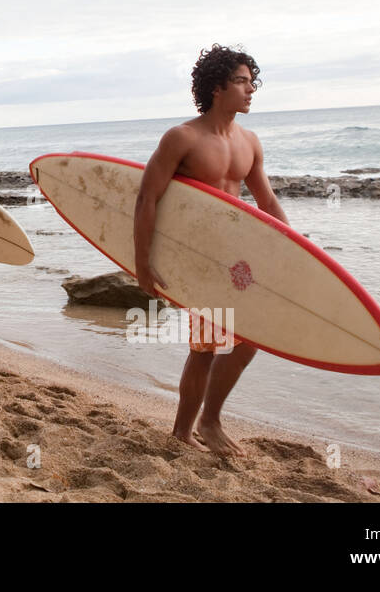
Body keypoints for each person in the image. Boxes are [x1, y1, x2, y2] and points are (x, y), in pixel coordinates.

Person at [132, 44, 288, 457]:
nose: (251, 89)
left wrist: (295, 250)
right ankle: (195, 427)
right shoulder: (183, 137)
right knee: (208, 348)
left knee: (246, 339)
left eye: (252, 81)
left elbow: (267, 203)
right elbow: (147, 199)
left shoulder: (249, 141)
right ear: (217, 87)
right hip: (199, 258)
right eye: (241, 81)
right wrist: (142, 263)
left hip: (238, 260)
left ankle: (199, 424)